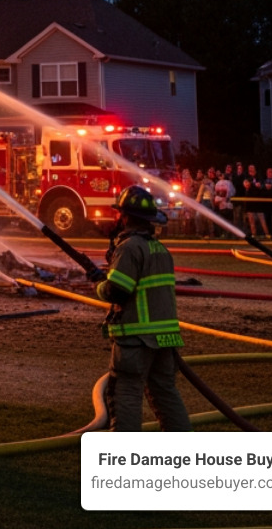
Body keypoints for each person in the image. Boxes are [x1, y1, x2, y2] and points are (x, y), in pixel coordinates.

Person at [92, 184, 192, 432]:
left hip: (136, 339)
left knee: (125, 392)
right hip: (165, 339)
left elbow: (118, 291)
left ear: (125, 216)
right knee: (165, 395)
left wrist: (98, 285)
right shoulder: (160, 249)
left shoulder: (129, 248)